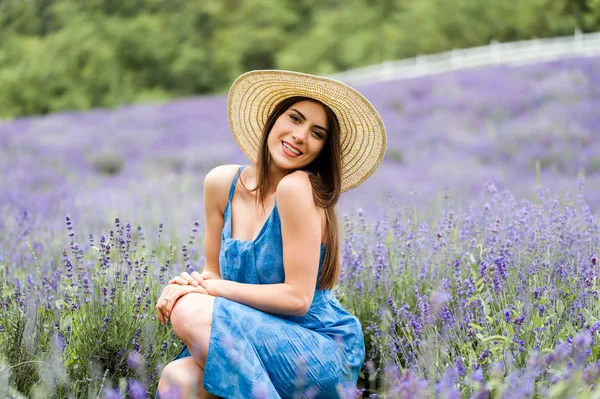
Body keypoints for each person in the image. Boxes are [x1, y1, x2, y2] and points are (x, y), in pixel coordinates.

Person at [154, 70, 386, 399]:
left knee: (190, 310)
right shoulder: (221, 184)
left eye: (317, 133)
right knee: (177, 379)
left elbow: (298, 299)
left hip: (315, 347)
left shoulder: (298, 188)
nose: (300, 135)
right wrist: (184, 286)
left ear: (322, 149)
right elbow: (212, 274)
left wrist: (207, 291)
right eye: (295, 118)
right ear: (273, 118)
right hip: (250, 340)